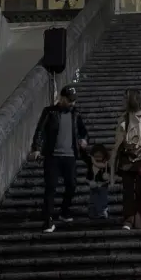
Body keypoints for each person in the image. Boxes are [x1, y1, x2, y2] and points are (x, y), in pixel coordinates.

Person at [30, 85, 89, 234]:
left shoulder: (76, 114)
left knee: (72, 185)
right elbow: (40, 131)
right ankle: (48, 220)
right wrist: (36, 148)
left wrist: (83, 140)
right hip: (53, 156)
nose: (72, 103)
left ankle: (64, 211)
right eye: (69, 100)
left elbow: (83, 132)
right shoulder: (50, 112)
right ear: (62, 98)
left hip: (70, 156)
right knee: (50, 187)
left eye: (73, 101)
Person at [110, 88, 141, 231]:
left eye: (126, 98)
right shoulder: (123, 117)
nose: (123, 100)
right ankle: (128, 220)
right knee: (128, 191)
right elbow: (117, 140)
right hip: (127, 158)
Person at [85, 143, 111, 220]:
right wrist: (90, 182)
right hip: (94, 187)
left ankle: (103, 211)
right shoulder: (91, 167)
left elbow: (110, 178)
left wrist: (104, 182)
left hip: (103, 187)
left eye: (100, 156)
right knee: (93, 199)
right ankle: (93, 212)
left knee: (103, 198)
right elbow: (87, 178)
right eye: (96, 157)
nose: (98, 159)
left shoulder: (106, 166)